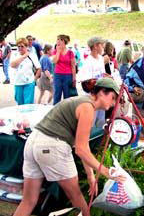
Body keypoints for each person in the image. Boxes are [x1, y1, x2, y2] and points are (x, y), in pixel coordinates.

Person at [13, 78, 125, 216]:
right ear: (102, 92)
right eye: (113, 98)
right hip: (52, 145)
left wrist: (90, 175)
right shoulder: (87, 107)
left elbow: (83, 147)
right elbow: (81, 149)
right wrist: (105, 171)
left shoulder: (80, 102)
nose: (113, 103)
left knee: (28, 200)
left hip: (33, 142)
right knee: (76, 197)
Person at [10, 38, 41, 105]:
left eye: (22, 46)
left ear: (26, 46)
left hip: (29, 83)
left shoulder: (32, 55)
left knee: (28, 105)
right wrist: (24, 56)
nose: (20, 48)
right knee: (20, 104)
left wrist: (34, 80)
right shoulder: (14, 54)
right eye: (18, 46)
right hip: (18, 83)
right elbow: (12, 65)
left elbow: (39, 69)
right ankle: (20, 116)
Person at [52, 34, 76, 105]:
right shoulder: (55, 51)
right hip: (57, 75)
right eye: (57, 39)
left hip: (68, 76)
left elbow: (73, 66)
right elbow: (54, 61)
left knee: (67, 96)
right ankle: (55, 112)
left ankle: (67, 112)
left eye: (60, 40)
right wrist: (58, 51)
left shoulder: (70, 52)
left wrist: (74, 78)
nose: (58, 41)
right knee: (57, 95)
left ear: (64, 41)